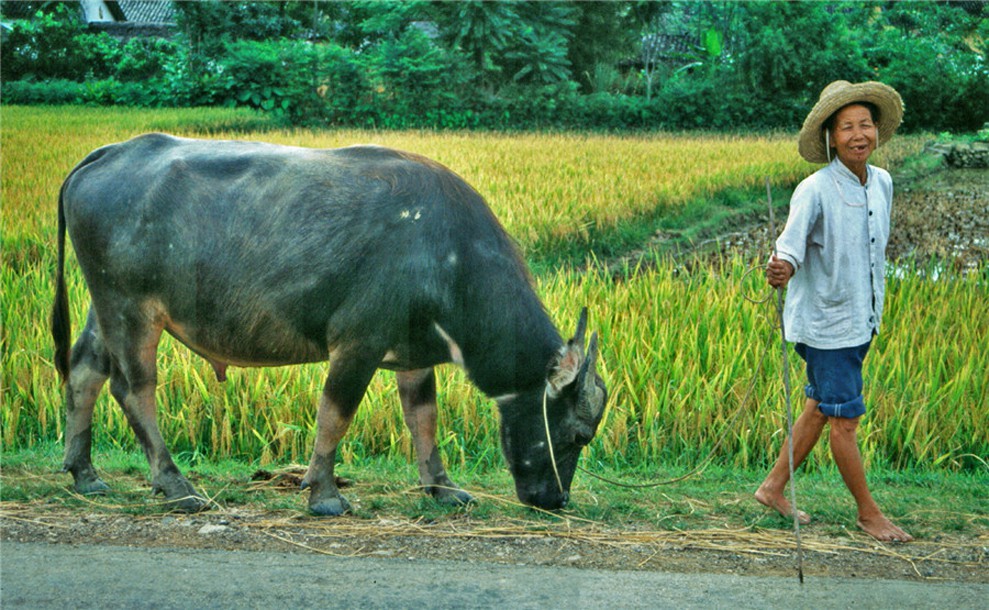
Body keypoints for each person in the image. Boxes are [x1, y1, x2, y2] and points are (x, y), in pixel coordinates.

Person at [754, 80, 913, 543]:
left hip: (863, 315)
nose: (858, 134)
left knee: (821, 408)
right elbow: (789, 249)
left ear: (877, 131)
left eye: (865, 124)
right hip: (827, 325)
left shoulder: (883, 182)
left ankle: (772, 487)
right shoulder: (814, 189)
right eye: (847, 127)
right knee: (844, 419)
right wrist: (781, 267)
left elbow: (872, 248)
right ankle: (868, 513)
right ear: (830, 137)